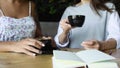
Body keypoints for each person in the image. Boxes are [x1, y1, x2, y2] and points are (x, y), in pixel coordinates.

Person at [54, 0, 120, 51]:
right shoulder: (69, 10)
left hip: (99, 59)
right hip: (73, 59)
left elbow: (117, 38)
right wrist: (65, 32)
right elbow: (60, 44)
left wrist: (101, 45)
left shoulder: (108, 8)